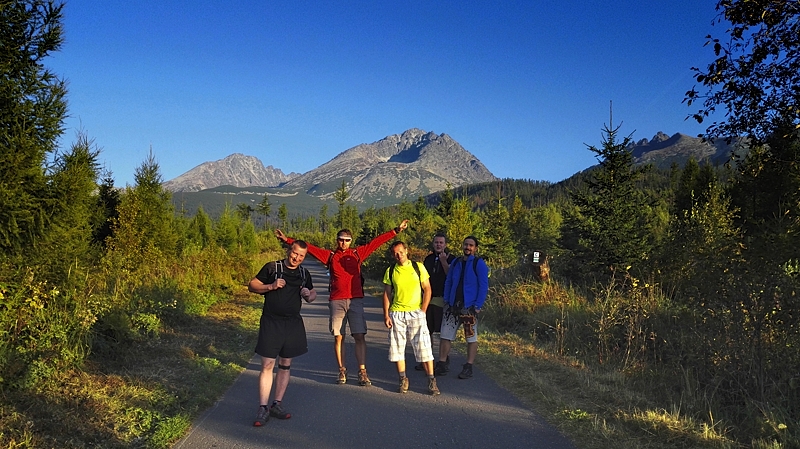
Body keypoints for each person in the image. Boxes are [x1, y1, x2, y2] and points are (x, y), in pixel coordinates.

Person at [275, 219, 409, 386]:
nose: (343, 243)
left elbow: (376, 242)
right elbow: (309, 248)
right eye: (341, 239)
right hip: (337, 300)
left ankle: (362, 371)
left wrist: (396, 231)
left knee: (359, 335)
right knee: (339, 337)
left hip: (355, 300)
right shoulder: (331, 256)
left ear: (351, 241)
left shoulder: (358, 253)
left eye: (347, 240)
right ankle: (342, 371)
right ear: (337, 240)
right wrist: (287, 240)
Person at [248, 240, 317, 427]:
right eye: (295, 253)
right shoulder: (272, 268)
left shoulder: (304, 273)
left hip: (292, 323)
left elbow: (312, 294)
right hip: (271, 321)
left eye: (301, 256)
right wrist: (270, 286)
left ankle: (276, 404)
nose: (296, 258)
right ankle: (263, 407)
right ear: (289, 251)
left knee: (285, 364)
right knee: (268, 364)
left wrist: (308, 295)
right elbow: (252, 285)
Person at [382, 241, 440, 395]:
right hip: (397, 314)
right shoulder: (391, 270)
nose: (398, 255)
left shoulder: (418, 267)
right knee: (397, 348)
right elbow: (387, 293)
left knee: (424, 347)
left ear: (406, 251)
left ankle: (431, 380)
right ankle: (403, 379)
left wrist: (423, 310)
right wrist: (386, 314)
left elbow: (427, 289)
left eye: (401, 252)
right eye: (395, 253)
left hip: (416, 312)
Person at [435, 236, 489, 379]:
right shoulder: (456, 262)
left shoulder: (479, 264)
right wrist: (447, 300)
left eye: (471, 245)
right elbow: (449, 281)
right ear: (462, 245)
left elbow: (484, 286)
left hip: (469, 307)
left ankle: (468, 366)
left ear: (475, 248)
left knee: (471, 337)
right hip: (452, 306)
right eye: (466, 244)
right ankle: (442, 363)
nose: (468, 247)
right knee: (445, 336)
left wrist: (478, 305)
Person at [416, 233, 456, 371]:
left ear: (445, 244)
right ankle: (427, 359)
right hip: (428, 298)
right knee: (427, 330)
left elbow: (452, 276)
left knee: (444, 333)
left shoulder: (452, 259)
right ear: (433, 244)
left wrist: (444, 262)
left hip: (444, 299)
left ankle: (444, 360)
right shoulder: (428, 259)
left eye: (441, 242)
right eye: (436, 242)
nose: (438, 244)